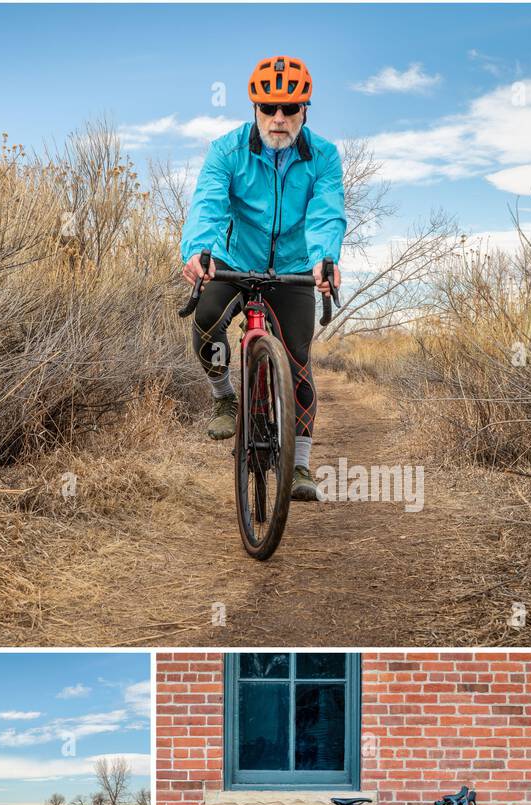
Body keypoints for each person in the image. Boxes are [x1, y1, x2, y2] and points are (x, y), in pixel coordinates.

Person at [180, 55, 346, 503]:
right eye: (269, 107)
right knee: (207, 320)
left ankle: (299, 466)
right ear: (254, 108)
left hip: (293, 269)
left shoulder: (324, 156)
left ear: (305, 111)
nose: (279, 118)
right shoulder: (227, 151)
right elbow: (208, 205)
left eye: (290, 109)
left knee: (296, 358)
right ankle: (224, 396)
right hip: (234, 260)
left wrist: (324, 259)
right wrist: (198, 251)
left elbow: (326, 212)